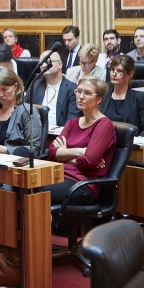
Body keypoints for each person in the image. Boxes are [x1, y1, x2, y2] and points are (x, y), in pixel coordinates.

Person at [42, 75, 116, 204]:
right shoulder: (72, 122)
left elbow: (89, 162)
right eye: (79, 91)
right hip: (59, 175)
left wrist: (65, 153)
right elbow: (52, 153)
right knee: (20, 186)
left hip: (82, 185)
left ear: (99, 99)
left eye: (87, 93)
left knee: (35, 191)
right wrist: (80, 151)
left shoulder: (104, 125)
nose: (81, 96)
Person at [0, 68, 41, 157]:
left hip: (12, 163)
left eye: (5, 89)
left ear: (15, 86)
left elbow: (34, 148)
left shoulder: (28, 112)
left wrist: (8, 150)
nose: (0, 94)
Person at [25, 50, 80, 129]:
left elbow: (72, 120)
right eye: (41, 63)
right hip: (35, 134)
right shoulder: (35, 85)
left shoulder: (72, 88)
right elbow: (25, 110)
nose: (44, 65)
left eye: (47, 61)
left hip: (59, 136)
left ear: (60, 64)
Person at [99, 55, 144, 135]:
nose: (114, 74)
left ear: (130, 74)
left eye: (119, 71)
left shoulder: (140, 98)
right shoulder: (102, 95)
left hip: (130, 144)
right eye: (112, 70)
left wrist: (137, 143)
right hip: (104, 141)